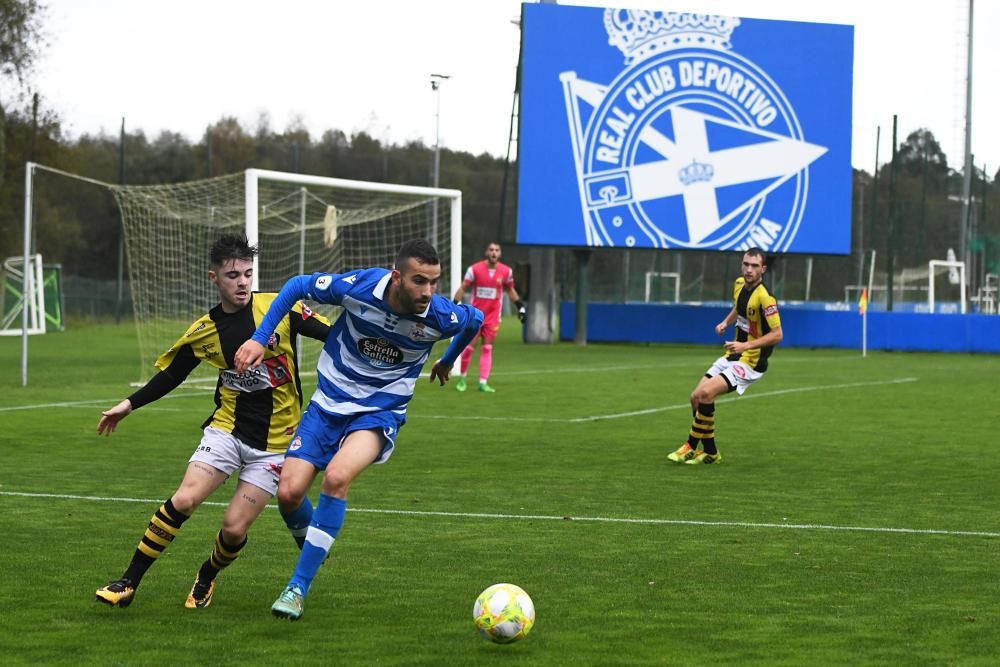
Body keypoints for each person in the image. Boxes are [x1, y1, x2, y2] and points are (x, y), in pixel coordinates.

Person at [233, 238, 483, 621]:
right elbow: (298, 285)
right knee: (288, 493)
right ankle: (316, 544)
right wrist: (258, 337)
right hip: (327, 404)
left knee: (336, 477)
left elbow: (475, 321)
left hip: (378, 412)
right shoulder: (360, 287)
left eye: (434, 281)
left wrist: (448, 360)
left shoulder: (440, 316)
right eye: (419, 281)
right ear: (397, 277)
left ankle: (297, 587)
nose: (428, 291)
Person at [95, 233, 331, 609]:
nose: (242, 282)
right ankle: (128, 582)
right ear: (214, 278)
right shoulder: (205, 330)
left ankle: (207, 575)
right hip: (226, 430)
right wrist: (129, 404)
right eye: (233, 274)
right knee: (185, 498)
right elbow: (172, 375)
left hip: (274, 444)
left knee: (234, 528)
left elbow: (331, 333)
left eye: (248, 274)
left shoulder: (280, 308)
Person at [667, 248, 783, 464]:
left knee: (707, 394)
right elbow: (738, 308)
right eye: (746, 264)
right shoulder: (739, 284)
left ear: (763, 269)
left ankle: (690, 446)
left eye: (755, 266)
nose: (749, 269)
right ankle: (710, 451)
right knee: (696, 397)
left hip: (751, 362)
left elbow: (778, 335)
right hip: (734, 355)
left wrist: (746, 345)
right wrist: (725, 322)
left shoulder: (766, 299)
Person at [450, 241, 525, 393]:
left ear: (500, 253)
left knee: (487, 348)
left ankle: (483, 383)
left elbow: (511, 290)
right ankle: (462, 379)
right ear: (486, 252)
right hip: (475, 316)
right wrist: (452, 306)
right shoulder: (475, 269)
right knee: (469, 348)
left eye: (497, 250)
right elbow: (463, 288)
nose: (494, 252)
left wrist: (520, 307)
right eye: (491, 249)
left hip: (493, 318)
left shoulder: (506, 272)